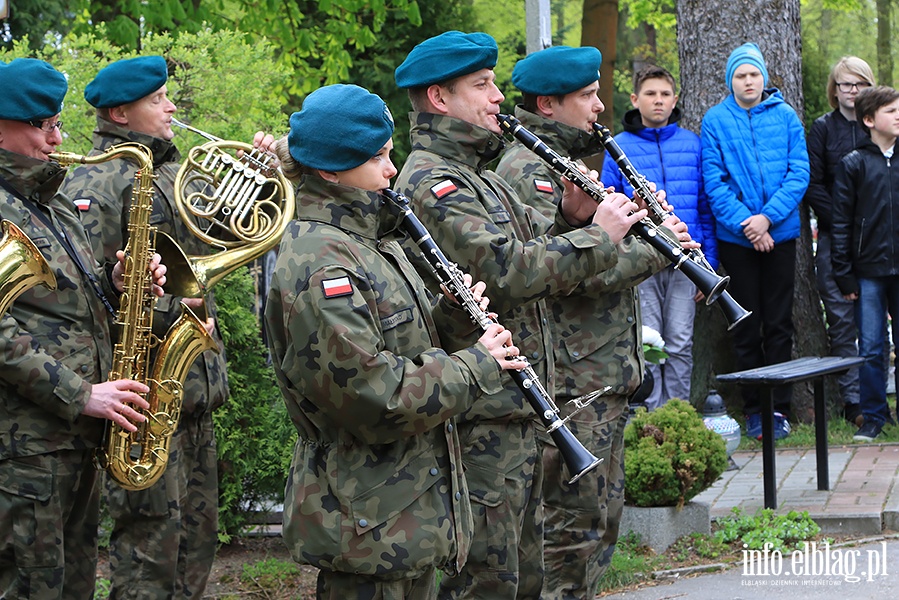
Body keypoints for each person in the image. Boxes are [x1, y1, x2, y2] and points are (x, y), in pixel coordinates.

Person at [393, 31, 652, 599]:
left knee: (528, 573)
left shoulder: (478, 171)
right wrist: (600, 237)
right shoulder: (435, 179)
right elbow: (505, 272)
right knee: (490, 580)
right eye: (482, 85)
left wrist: (567, 220)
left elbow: (537, 258)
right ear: (439, 98)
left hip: (518, 405)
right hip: (481, 412)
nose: (496, 97)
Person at [264, 83, 521, 599]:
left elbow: (402, 344)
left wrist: (451, 317)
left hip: (399, 518)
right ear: (332, 171)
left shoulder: (367, 240)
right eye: (377, 156)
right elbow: (373, 396)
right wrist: (477, 366)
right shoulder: (321, 262)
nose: (391, 168)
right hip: (366, 526)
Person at [495, 47, 685, 600]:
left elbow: (589, 250)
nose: (601, 107)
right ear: (549, 105)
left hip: (597, 368)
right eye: (587, 96)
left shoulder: (569, 159)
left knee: (597, 525)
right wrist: (656, 251)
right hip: (573, 376)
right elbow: (555, 271)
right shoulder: (531, 170)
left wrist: (644, 231)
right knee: (571, 533)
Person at [60, 55, 231, 599]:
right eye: (158, 99)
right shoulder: (95, 182)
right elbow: (82, 294)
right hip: (141, 390)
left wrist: (266, 171)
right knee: (148, 547)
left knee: (196, 544)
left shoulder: (174, 175)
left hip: (190, 386)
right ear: (120, 113)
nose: (172, 107)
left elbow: (223, 240)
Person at [0, 58, 166, 599]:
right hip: (25, 446)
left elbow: (68, 296)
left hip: (70, 436)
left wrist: (120, 281)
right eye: (39, 125)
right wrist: (81, 394)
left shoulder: (51, 200)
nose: (55, 137)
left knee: (72, 587)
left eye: (56, 122)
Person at [701, 42, 810, 440]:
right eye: (741, 75)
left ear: (764, 77)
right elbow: (714, 182)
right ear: (731, 81)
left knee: (779, 323)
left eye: (754, 74)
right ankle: (753, 409)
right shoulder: (716, 120)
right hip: (738, 240)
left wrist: (767, 219)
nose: (748, 81)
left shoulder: (785, 117)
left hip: (780, 235)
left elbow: (799, 172)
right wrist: (748, 224)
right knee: (746, 325)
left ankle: (779, 408)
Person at [599, 63, 716, 412]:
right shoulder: (619, 146)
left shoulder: (692, 144)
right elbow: (608, 202)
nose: (658, 101)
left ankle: (677, 415)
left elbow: (704, 206)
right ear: (635, 100)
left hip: (686, 259)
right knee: (649, 341)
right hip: (640, 260)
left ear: (675, 98)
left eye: (665, 94)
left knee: (680, 341)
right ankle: (649, 422)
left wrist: (707, 263)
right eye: (650, 94)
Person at [806, 57, 876, 427]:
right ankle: (853, 402)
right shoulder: (823, 129)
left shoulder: (878, 129)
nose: (852, 91)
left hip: (876, 239)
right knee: (842, 321)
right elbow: (813, 184)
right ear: (835, 89)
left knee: (875, 323)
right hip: (835, 238)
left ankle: (878, 397)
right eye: (846, 84)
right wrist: (843, 221)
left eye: (859, 84)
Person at [832, 85, 899, 442]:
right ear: (870, 120)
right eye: (891, 111)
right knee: (872, 347)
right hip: (868, 273)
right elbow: (840, 223)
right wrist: (844, 275)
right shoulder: (853, 164)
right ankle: (874, 416)